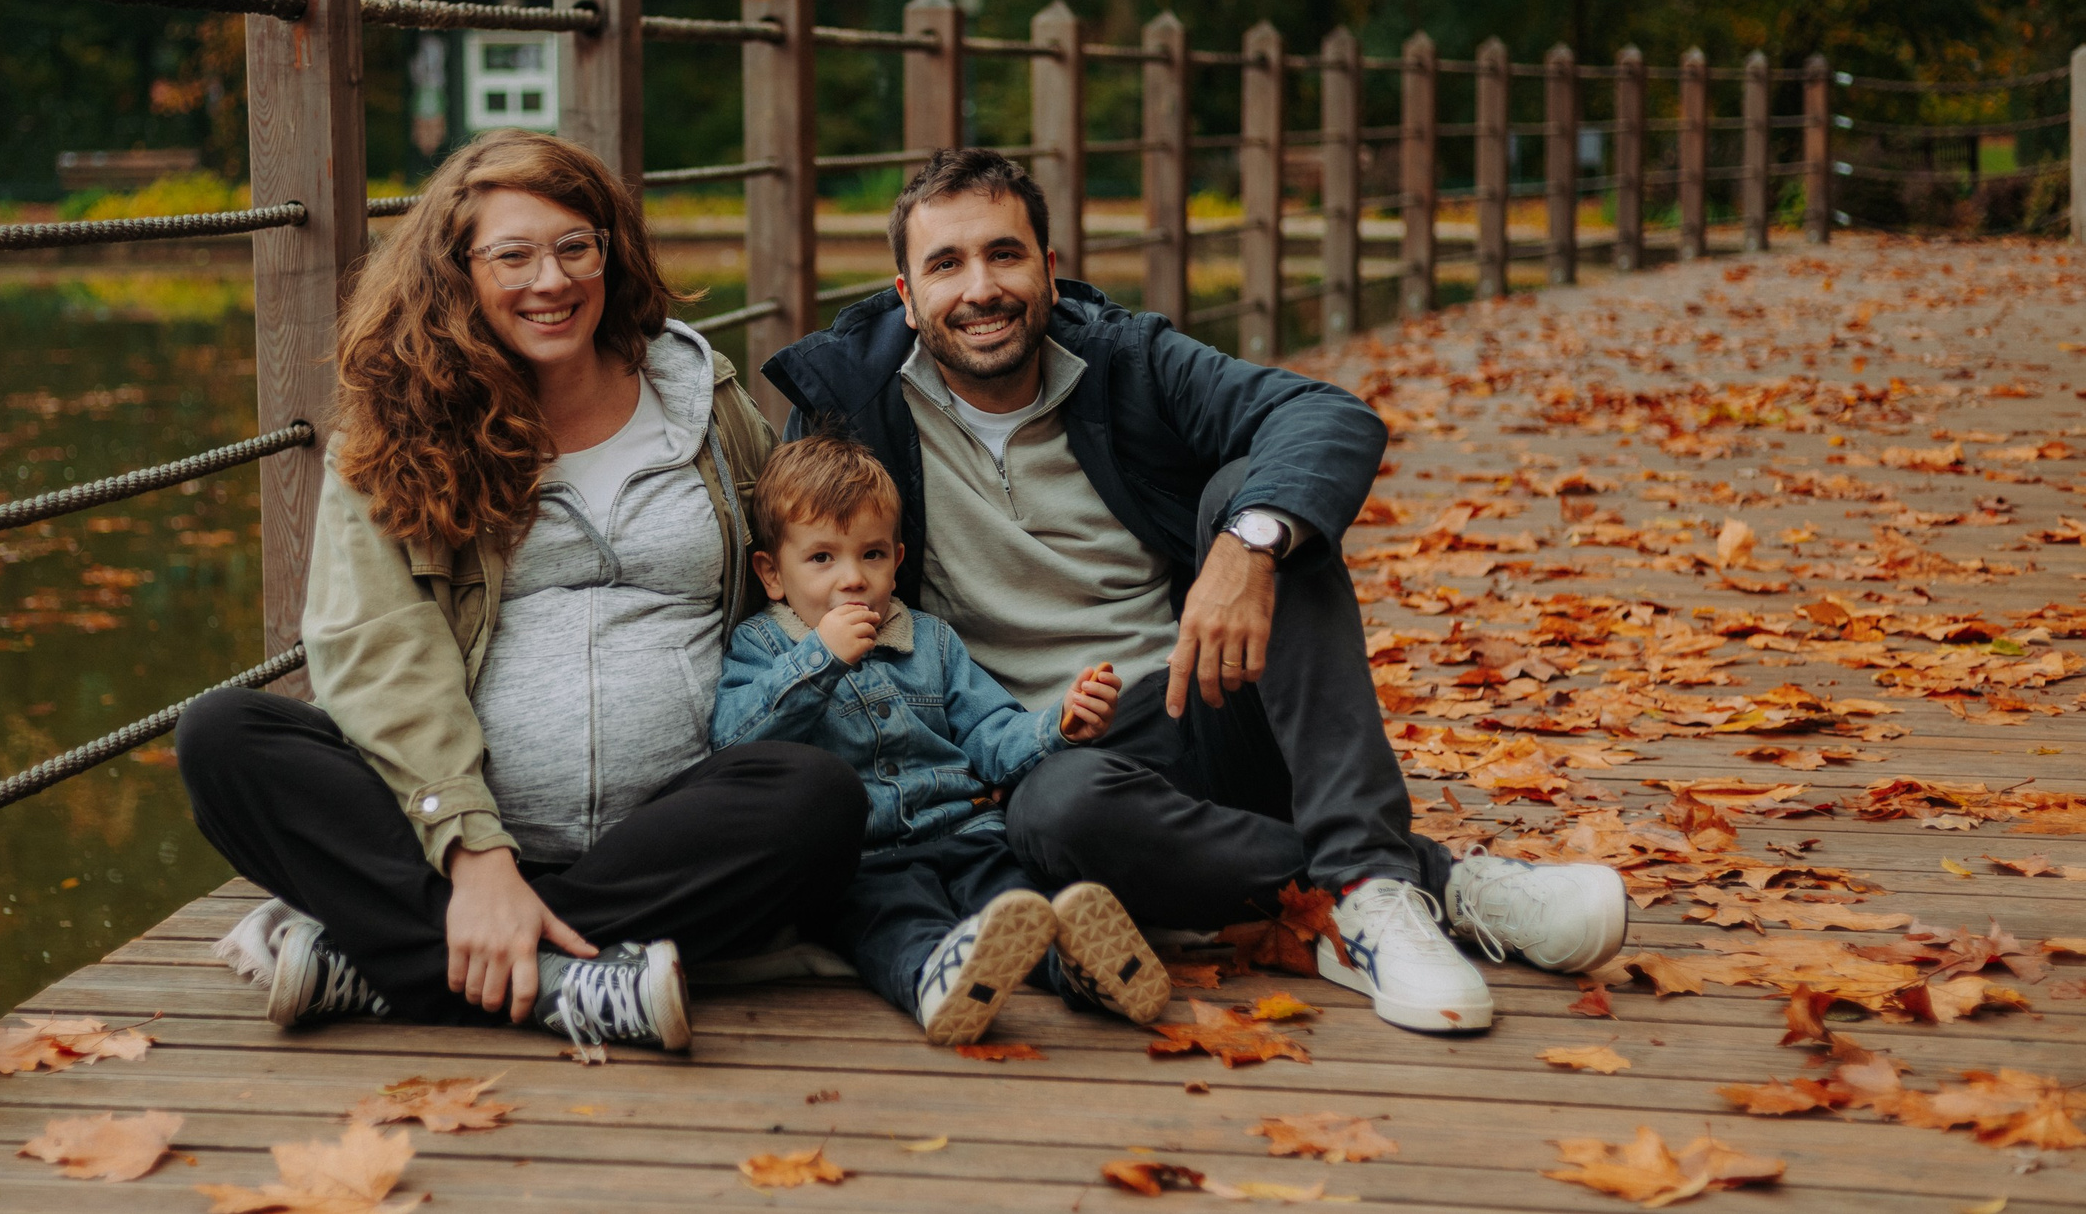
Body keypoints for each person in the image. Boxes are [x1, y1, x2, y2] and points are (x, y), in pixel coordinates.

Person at [761, 148, 1626, 1034]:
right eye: (946, 264)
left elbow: (1327, 414)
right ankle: (1421, 883)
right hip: (1044, 757)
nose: (981, 289)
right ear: (907, 297)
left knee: (1258, 500)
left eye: (1004, 255)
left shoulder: (1127, 361)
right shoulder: (849, 409)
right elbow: (790, 576)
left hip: (1206, 697)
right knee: (1057, 810)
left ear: (1049, 270)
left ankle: (1371, 885)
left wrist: (1247, 548)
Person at [174, 130, 866, 1054]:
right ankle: (566, 978)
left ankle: (395, 964)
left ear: (612, 251)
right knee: (223, 736)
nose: (552, 280)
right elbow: (375, 645)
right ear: (456, 270)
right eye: (513, 255)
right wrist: (474, 850)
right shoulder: (397, 428)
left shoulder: (703, 398)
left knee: (818, 796)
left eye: (576, 246)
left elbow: (799, 553)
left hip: (674, 830)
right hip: (449, 830)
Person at [712, 433, 1167, 1046]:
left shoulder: (932, 641)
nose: (852, 579)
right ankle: (935, 978)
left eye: (872, 555)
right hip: (864, 859)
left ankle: (1081, 971)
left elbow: (988, 731)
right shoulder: (762, 648)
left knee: (1015, 901)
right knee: (889, 922)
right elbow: (735, 743)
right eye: (821, 558)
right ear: (772, 573)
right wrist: (818, 660)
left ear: (897, 561)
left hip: (965, 830)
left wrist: (1056, 724)